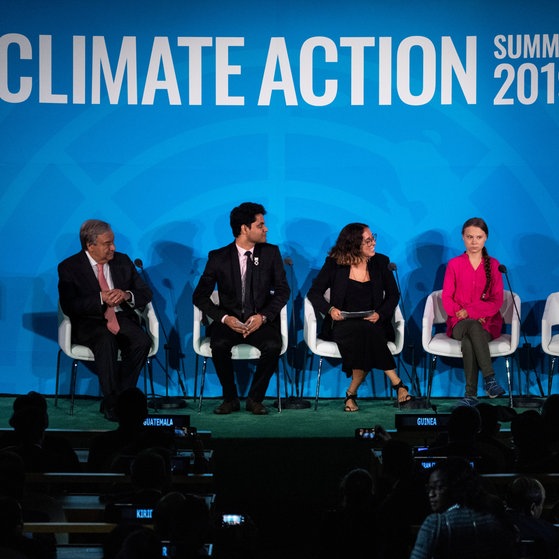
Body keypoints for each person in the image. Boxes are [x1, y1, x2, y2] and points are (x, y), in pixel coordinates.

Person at [192, 202, 290, 415]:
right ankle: (230, 398)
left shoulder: (271, 253)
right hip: (230, 322)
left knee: (273, 345)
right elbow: (199, 296)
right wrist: (225, 318)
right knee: (218, 345)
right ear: (244, 228)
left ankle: (255, 399)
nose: (266, 229)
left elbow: (283, 291)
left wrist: (263, 317)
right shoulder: (218, 257)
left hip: (260, 321)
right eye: (260, 225)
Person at [307, 222, 412, 411]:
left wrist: (380, 314)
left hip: (374, 322)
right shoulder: (334, 264)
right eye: (368, 241)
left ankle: (351, 394)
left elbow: (393, 295)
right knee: (363, 333)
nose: (373, 243)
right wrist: (330, 310)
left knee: (365, 332)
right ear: (353, 244)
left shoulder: (381, 262)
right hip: (342, 324)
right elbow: (314, 293)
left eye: (373, 238)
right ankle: (398, 384)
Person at [58, 219, 153, 421]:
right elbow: (70, 305)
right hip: (89, 321)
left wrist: (126, 295)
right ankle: (112, 403)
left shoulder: (122, 261)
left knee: (142, 341)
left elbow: (145, 293)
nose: (113, 248)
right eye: (107, 244)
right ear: (90, 245)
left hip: (120, 316)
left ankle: (120, 398)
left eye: (113, 242)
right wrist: (100, 298)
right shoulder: (69, 267)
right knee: (105, 341)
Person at [442, 217, 506, 407]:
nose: (474, 241)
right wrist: (463, 314)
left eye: (478, 237)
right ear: (463, 237)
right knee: (470, 326)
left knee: (469, 343)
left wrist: (469, 310)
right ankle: (490, 380)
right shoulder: (454, 264)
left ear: (486, 238)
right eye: (470, 237)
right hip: (458, 322)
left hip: (487, 323)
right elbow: (447, 298)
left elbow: (497, 301)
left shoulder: (494, 265)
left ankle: (470, 395)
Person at [410, 457, 517, 559]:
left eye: (439, 487)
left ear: (455, 486)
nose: (431, 494)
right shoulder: (493, 517)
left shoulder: (436, 523)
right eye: (429, 488)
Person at [505, 476, 559, 559]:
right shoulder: (550, 532)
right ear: (532, 508)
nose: (541, 507)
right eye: (542, 504)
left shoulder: (490, 524)